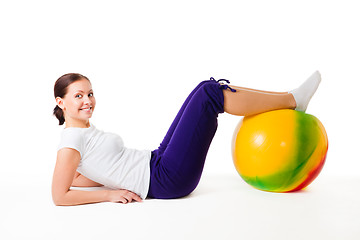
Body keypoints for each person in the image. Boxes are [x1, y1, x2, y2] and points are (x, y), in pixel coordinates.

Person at [52, 72, 321, 206]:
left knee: (206, 86)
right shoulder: (71, 142)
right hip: (165, 179)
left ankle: (289, 97)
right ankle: (291, 100)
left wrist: (109, 177)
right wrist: (110, 194)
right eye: (78, 96)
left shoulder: (82, 134)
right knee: (210, 97)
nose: (87, 100)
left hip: (155, 160)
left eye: (89, 93)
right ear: (60, 102)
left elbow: (80, 177)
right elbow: (59, 195)